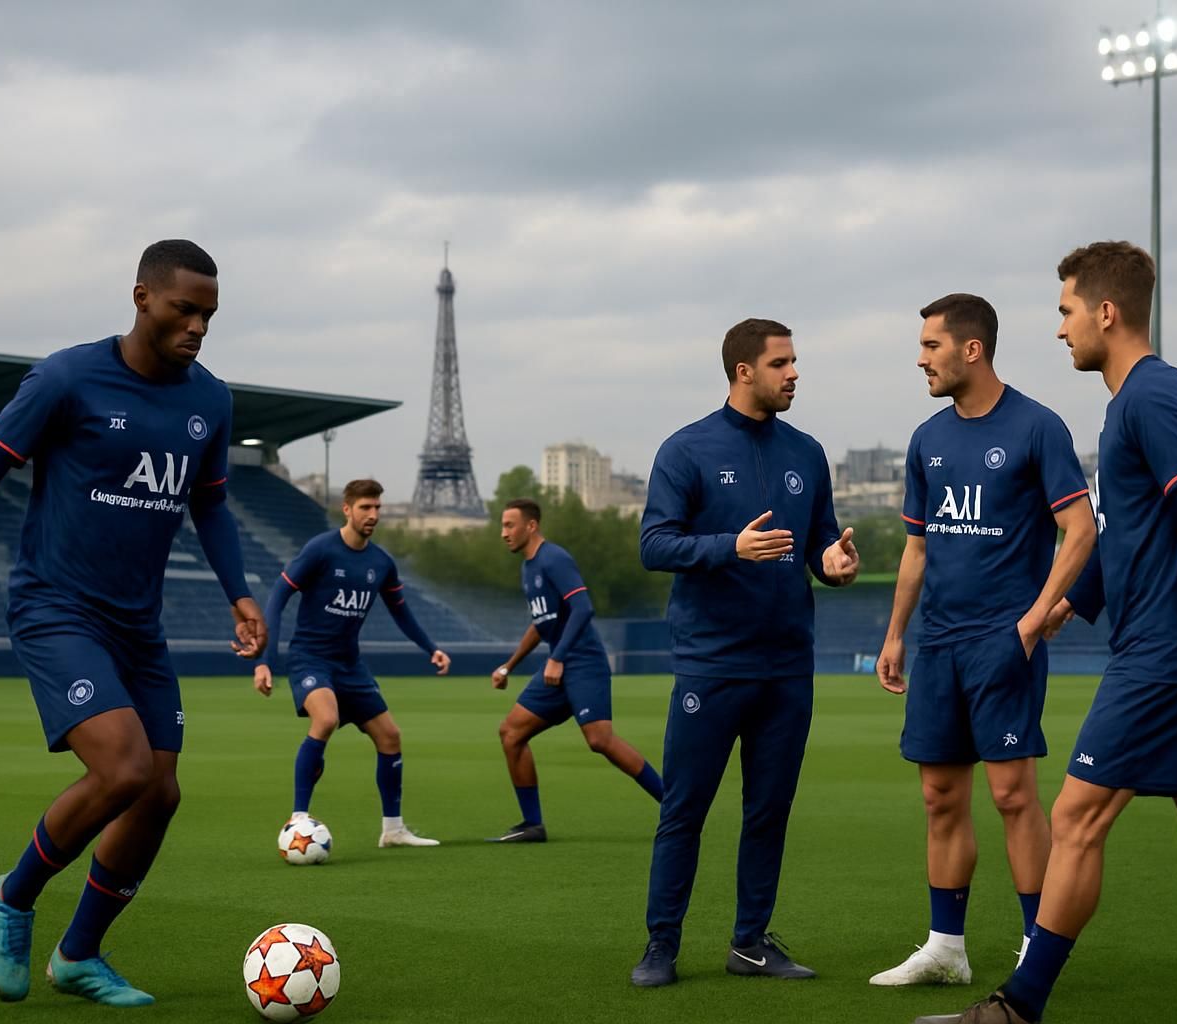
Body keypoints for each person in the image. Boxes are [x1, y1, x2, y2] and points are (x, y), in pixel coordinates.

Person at [916, 241, 1177, 1024]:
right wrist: (1069, 607)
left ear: (1106, 311)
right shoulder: (1134, 401)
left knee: (1073, 817)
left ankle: (1017, 1007)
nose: (1060, 329)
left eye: (1066, 311)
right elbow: (1135, 531)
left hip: (1165, 655)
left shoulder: (1150, 398)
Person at [0, 239, 267, 1007]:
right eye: (184, 308)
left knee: (160, 794)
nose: (199, 325)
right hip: (56, 608)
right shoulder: (68, 378)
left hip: (139, 626)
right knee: (125, 770)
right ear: (141, 298)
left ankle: (79, 955)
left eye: (209, 313)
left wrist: (239, 592)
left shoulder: (211, 400)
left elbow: (208, 502)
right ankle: (14, 895)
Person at [871, 294, 1095, 987]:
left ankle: (1037, 946)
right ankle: (946, 947)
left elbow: (1081, 529)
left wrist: (1033, 621)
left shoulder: (1037, 427)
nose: (920, 358)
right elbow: (917, 548)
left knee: (1012, 797)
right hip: (935, 644)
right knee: (940, 795)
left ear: (973, 349)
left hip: (1004, 643)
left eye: (931, 346)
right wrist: (895, 634)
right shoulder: (926, 439)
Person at [630, 317, 859, 987]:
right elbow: (654, 545)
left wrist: (833, 561)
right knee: (685, 810)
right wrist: (728, 545)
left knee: (769, 811)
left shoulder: (807, 452)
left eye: (795, 362)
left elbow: (818, 541)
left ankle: (751, 943)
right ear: (743, 372)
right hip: (712, 663)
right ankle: (661, 947)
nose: (794, 374)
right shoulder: (686, 450)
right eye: (782, 363)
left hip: (788, 666)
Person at [253, 478, 450, 849]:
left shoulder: (381, 562)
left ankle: (392, 830)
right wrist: (266, 660)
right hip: (310, 658)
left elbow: (401, 612)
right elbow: (278, 597)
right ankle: (298, 821)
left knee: (390, 736)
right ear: (347, 509)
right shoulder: (320, 550)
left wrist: (431, 648)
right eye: (365, 508)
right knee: (325, 719)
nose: (373, 515)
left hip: (350, 665)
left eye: (377, 507)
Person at [487, 498, 663, 843]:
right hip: (560, 666)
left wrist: (558, 657)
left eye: (509, 525)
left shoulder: (554, 558)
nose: (503, 533)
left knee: (600, 740)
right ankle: (532, 824)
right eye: (502, 526)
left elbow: (583, 608)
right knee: (511, 734)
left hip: (583, 663)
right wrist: (509, 665)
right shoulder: (528, 567)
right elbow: (542, 624)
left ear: (531, 526)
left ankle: (674, 807)